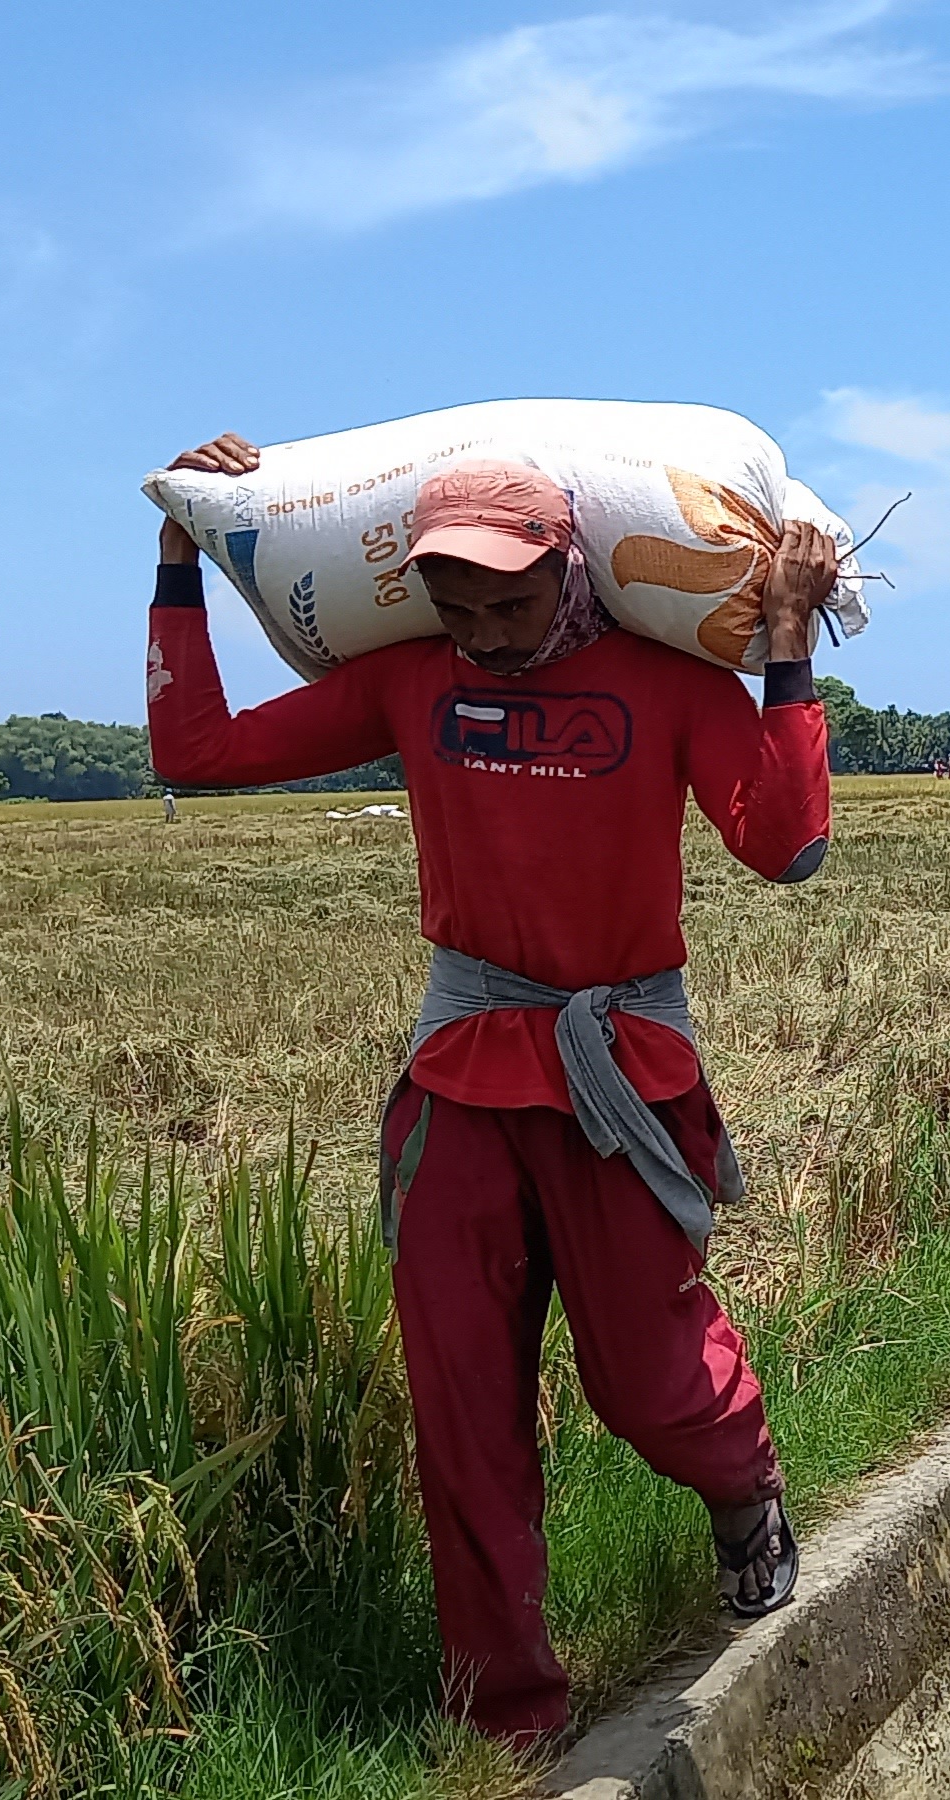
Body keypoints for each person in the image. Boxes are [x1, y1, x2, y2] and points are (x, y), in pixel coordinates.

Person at [145, 436, 840, 1745]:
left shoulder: (670, 684)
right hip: (460, 1078)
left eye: (510, 602)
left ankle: (743, 1488)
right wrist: (183, 553)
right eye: (455, 603)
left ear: (570, 566)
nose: (485, 631)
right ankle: (504, 1719)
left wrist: (789, 652)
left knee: (646, 1384)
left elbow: (786, 847)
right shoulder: (412, 682)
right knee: (461, 1408)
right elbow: (195, 751)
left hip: (617, 1077)